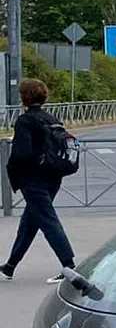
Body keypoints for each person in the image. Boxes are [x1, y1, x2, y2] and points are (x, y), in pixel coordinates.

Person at [3, 79, 78, 282]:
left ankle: (69, 265)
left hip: (33, 180)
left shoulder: (25, 121)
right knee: (29, 222)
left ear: (23, 98)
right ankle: (10, 266)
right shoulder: (50, 118)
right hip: (53, 177)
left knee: (48, 221)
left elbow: (22, 153)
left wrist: (15, 171)